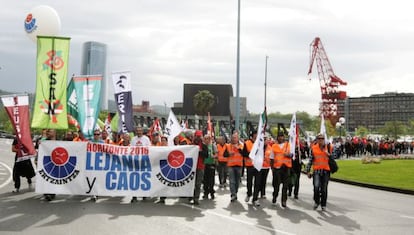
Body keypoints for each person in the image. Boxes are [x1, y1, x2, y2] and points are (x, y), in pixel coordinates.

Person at [306, 133, 334, 211]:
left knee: (324, 189)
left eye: (322, 138)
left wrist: (329, 155)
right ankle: (316, 201)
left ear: (324, 139)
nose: (321, 140)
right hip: (317, 171)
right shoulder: (313, 148)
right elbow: (310, 160)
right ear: (317, 140)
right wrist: (308, 171)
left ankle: (323, 204)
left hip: (326, 171)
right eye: (319, 138)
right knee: (316, 187)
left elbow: (334, 157)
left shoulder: (329, 147)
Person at [270, 132, 291, 208]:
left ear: (284, 137)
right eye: (279, 136)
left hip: (286, 167)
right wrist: (272, 168)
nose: (281, 138)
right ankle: (274, 197)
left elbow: (293, 155)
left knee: (285, 186)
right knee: (276, 185)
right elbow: (271, 158)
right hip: (277, 168)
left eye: (282, 136)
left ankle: (284, 200)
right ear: (277, 137)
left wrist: (288, 155)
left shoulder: (288, 145)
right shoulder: (274, 146)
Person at [242, 131, 261, 206]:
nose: (256, 136)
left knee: (257, 183)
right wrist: (251, 154)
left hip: (258, 165)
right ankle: (249, 193)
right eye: (255, 134)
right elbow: (244, 153)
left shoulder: (260, 143)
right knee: (249, 182)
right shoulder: (247, 143)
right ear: (252, 135)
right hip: (249, 165)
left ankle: (255, 198)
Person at [227, 133, 244, 202]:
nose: (234, 139)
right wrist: (229, 154)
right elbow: (225, 154)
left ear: (238, 138)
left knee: (237, 181)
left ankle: (235, 192)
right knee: (232, 181)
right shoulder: (228, 146)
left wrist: (239, 149)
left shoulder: (242, 145)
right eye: (233, 137)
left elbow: (244, 154)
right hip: (231, 166)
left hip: (239, 165)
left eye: (235, 138)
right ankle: (233, 194)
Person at [202, 134, 217, 200]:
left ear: (209, 139)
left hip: (211, 164)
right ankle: (205, 192)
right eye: (205, 139)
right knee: (205, 180)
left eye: (207, 139)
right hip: (204, 164)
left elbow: (216, 154)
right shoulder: (202, 146)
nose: (206, 140)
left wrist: (213, 156)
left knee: (211, 180)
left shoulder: (213, 146)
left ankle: (211, 192)